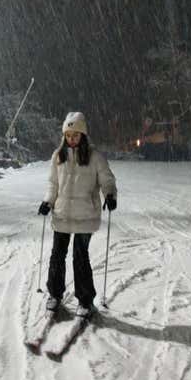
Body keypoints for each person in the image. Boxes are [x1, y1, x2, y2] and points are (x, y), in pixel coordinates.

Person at [38, 112, 117, 318]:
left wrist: (110, 195)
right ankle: (55, 294)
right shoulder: (58, 155)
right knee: (57, 255)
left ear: (83, 135)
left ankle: (85, 300)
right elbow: (53, 184)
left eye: (75, 135)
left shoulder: (95, 156)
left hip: (85, 214)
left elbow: (107, 179)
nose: (71, 139)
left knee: (80, 257)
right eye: (68, 135)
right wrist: (48, 201)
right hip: (62, 213)